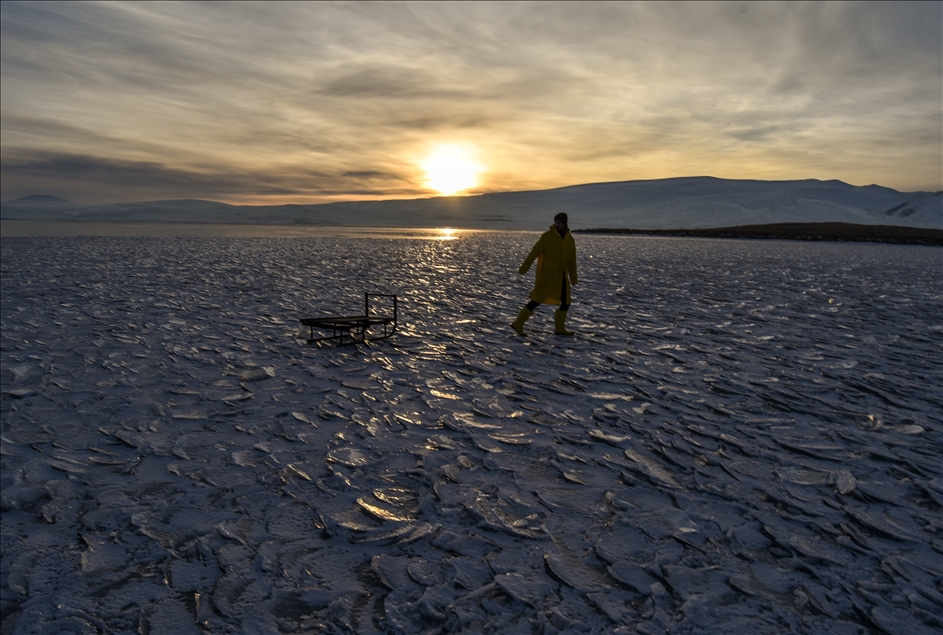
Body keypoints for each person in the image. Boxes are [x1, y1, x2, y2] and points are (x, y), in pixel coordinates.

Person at [512, 212, 578, 336]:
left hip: (562, 277)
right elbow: (535, 252)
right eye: (555, 222)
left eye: (558, 223)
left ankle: (560, 328)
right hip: (548, 276)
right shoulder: (547, 236)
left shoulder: (569, 239)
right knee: (537, 300)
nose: (556, 225)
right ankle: (518, 323)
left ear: (564, 224)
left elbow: (572, 261)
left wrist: (573, 278)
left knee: (566, 302)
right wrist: (524, 268)